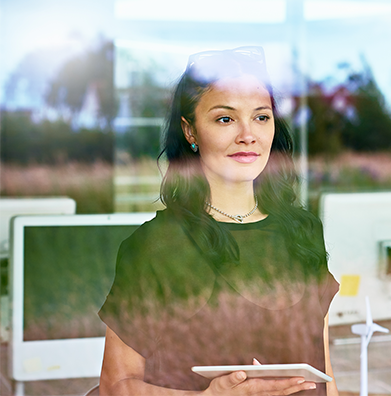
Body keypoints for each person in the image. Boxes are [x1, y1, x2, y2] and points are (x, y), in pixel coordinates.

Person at [98, 46, 339, 396]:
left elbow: (325, 373)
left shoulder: (303, 231)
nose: (247, 134)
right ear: (190, 131)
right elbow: (115, 387)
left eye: (261, 117)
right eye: (225, 119)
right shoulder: (155, 245)